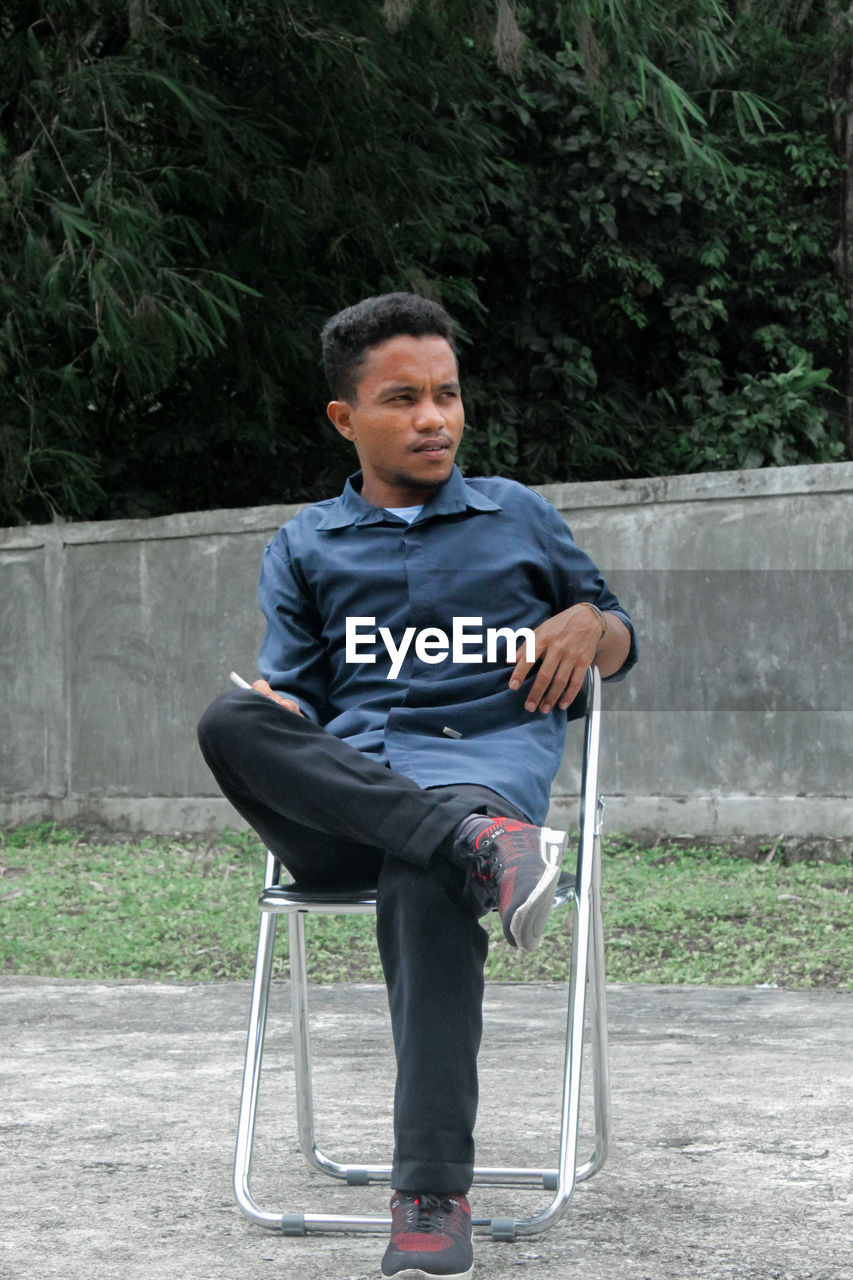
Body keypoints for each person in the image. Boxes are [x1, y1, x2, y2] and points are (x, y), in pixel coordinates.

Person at [197, 292, 636, 1280]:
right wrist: (281, 708)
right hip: (348, 804)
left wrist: (587, 626)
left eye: (447, 394)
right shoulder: (304, 545)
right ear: (347, 419)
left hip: (484, 784)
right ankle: (474, 850)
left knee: (425, 864)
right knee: (231, 718)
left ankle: (431, 1193)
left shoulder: (517, 515)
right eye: (404, 398)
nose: (435, 417)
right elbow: (293, 689)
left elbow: (617, 633)